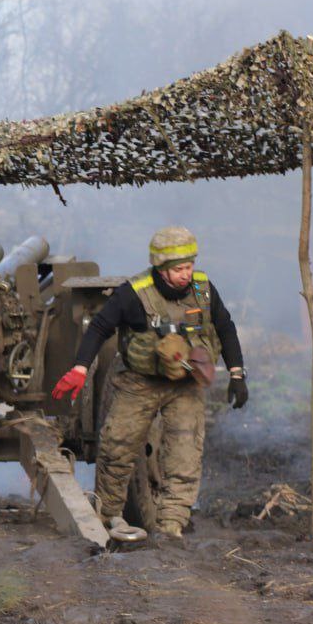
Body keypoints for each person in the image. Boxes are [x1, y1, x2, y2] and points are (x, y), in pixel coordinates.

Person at [51, 226, 247, 541]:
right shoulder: (134, 293)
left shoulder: (203, 289)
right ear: (160, 268)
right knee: (117, 446)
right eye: (178, 269)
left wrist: (237, 374)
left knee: (185, 454)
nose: (186, 274)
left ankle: (171, 529)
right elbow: (101, 326)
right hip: (139, 381)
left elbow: (225, 327)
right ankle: (108, 515)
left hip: (186, 384)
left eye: (189, 266)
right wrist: (79, 368)